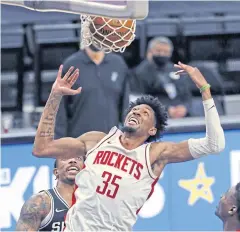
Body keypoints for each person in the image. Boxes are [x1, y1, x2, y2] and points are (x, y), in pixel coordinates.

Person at [32, 62, 225, 231]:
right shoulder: (96, 140)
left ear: (152, 130)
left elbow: (214, 144)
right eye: (134, 110)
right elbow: (42, 148)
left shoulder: (155, 154)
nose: (137, 112)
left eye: (145, 113)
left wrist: (204, 89)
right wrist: (55, 95)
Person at [55, 44, 130, 139]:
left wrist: (128, 136)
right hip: (78, 143)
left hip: (110, 143)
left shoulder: (118, 64)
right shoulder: (70, 65)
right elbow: (60, 108)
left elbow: (125, 106)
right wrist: (59, 142)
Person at [131, 36, 192, 118]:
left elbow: (187, 95)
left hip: (182, 117)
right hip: (155, 117)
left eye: (166, 52)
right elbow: (139, 99)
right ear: (150, 52)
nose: (162, 54)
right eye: (158, 51)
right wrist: (166, 109)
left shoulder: (176, 70)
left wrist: (184, 107)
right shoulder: (139, 72)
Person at [16, 157, 83, 231]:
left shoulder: (95, 200)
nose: (73, 160)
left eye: (78, 158)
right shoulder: (39, 202)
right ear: (56, 172)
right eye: (65, 158)